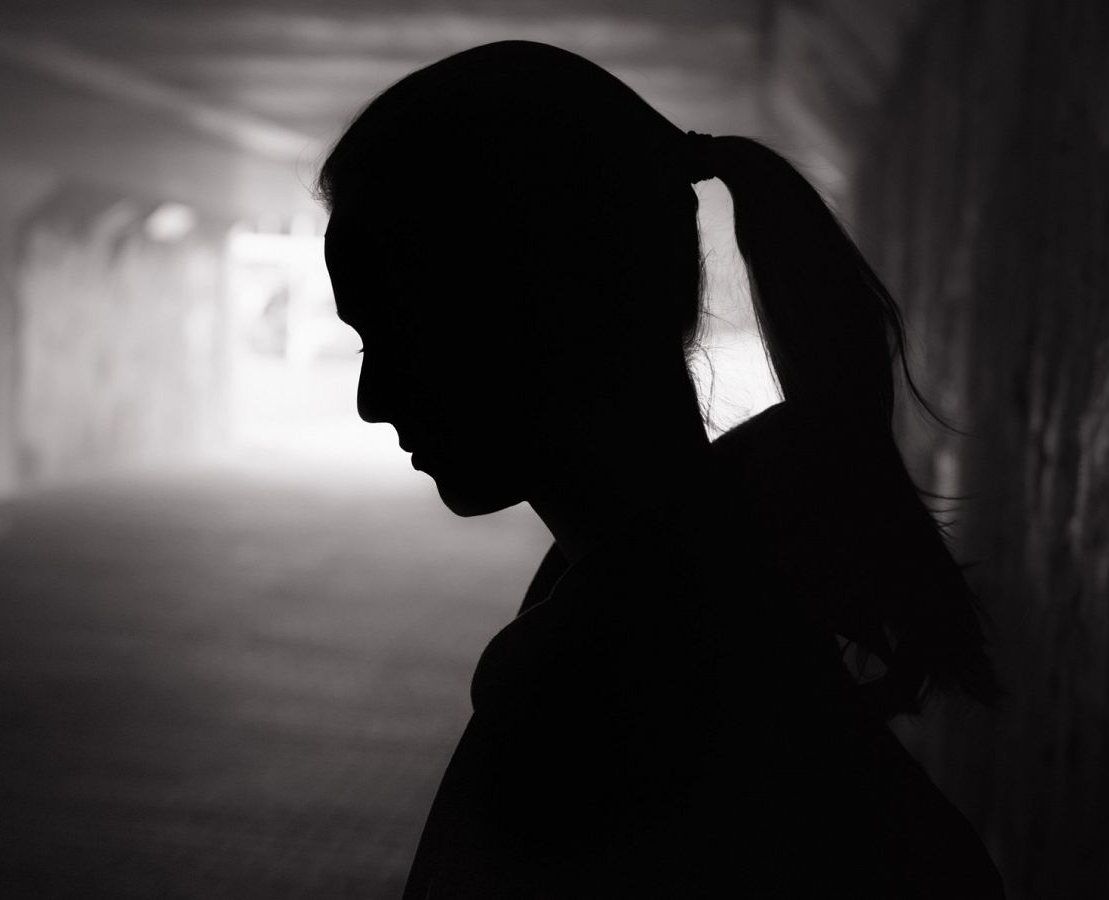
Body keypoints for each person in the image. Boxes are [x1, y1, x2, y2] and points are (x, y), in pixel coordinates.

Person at [317, 41, 1004, 898]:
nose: (371, 399)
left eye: (403, 336)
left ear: (546, 313)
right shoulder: (717, 581)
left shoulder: (608, 697)